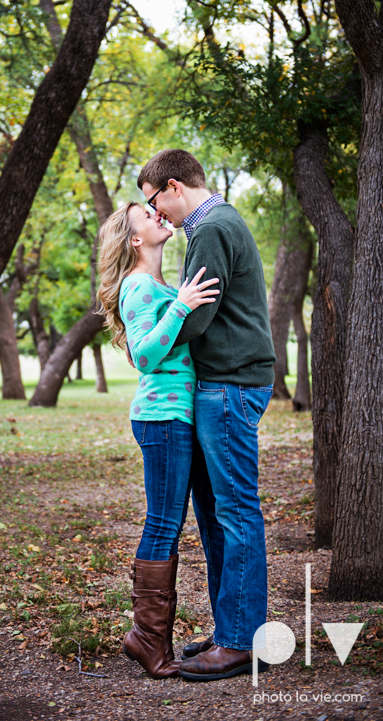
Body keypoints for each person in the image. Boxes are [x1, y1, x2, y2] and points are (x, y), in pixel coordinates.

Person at [136, 148, 276, 682]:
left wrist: (155, 334)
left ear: (173, 186)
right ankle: (231, 630)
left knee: (236, 512)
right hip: (225, 385)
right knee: (221, 514)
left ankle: (241, 642)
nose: (157, 215)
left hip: (229, 385)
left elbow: (197, 319)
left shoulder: (212, 228)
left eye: (155, 202)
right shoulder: (217, 224)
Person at [97, 202, 219, 679]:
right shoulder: (138, 285)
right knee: (164, 525)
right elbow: (144, 356)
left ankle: (149, 636)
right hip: (162, 418)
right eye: (144, 216)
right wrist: (182, 307)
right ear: (134, 240)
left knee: (172, 523)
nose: (156, 216)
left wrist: (180, 300)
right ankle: (147, 639)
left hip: (178, 418)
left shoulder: (159, 285)